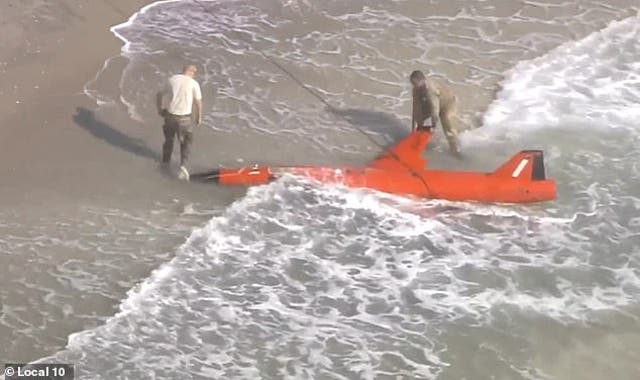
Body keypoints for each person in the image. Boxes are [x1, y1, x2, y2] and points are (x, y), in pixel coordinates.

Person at [156, 64, 203, 180]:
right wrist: (199, 117)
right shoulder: (193, 83)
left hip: (170, 116)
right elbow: (198, 102)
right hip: (184, 118)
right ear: (191, 72)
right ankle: (182, 166)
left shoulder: (172, 79)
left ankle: (165, 163)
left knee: (169, 140)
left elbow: (159, 94)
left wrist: (160, 109)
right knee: (186, 142)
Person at [410, 70, 461, 156]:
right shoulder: (416, 89)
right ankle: (422, 143)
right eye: (412, 83)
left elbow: (435, 110)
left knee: (448, 126)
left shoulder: (430, 90)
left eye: (415, 83)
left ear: (422, 80)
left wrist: (433, 126)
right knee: (421, 122)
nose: (414, 86)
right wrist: (413, 130)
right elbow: (415, 109)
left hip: (448, 103)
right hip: (431, 103)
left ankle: (455, 150)